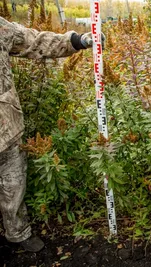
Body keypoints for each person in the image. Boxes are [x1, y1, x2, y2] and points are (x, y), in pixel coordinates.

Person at [0, 16, 103, 252]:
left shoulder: (1, 30)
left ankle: (17, 232)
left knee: (14, 184)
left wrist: (77, 41)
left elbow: (35, 41)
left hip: (5, 128)